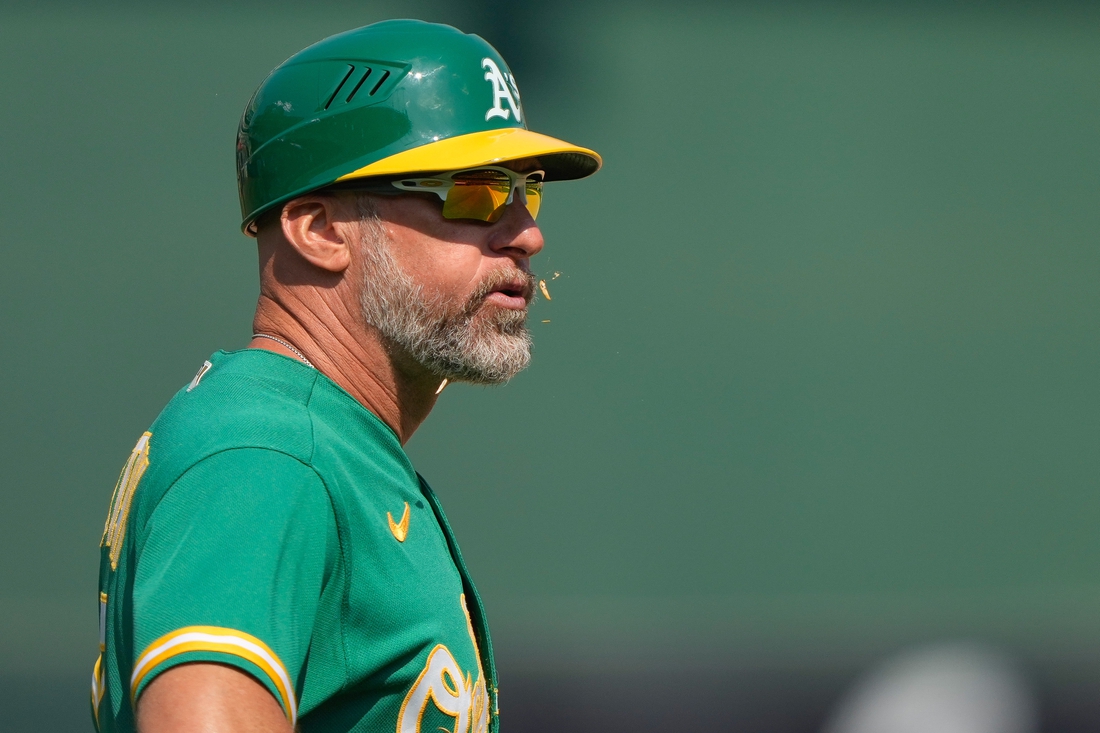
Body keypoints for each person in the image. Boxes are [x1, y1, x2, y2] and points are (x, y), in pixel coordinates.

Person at [91, 19, 601, 733]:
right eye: (474, 191)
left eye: (527, 189)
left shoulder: (324, 444)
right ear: (319, 228)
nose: (525, 230)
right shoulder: (267, 453)